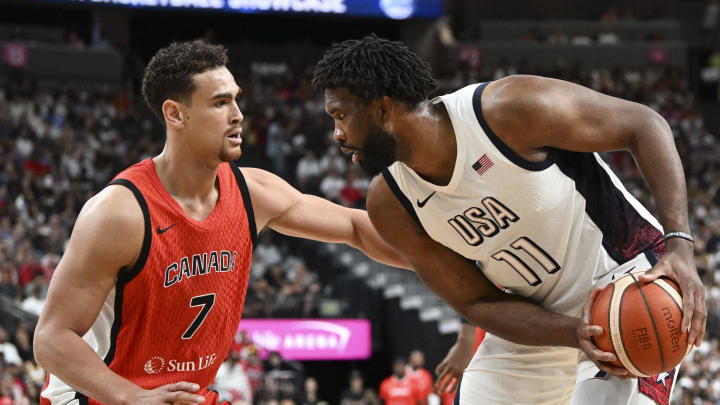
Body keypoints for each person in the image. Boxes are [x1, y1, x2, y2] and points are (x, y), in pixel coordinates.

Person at [312, 35, 706, 404]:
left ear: (382, 108)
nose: (336, 133)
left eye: (341, 115)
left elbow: (644, 125)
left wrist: (680, 246)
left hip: (627, 287)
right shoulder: (390, 203)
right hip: (537, 321)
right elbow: (477, 300)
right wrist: (570, 332)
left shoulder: (506, 110)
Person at [34, 40, 408, 405]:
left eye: (235, 98)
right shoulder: (120, 212)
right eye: (220, 102)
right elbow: (51, 337)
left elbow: (357, 227)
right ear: (175, 114)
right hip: (100, 394)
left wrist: (449, 257)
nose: (238, 114)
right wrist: (133, 396)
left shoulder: (253, 192)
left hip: (183, 394)